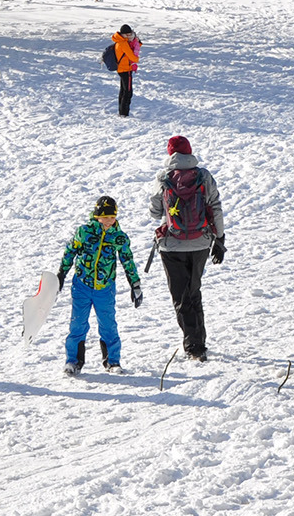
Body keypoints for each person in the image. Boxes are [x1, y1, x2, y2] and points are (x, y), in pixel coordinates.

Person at [148, 135, 225, 361]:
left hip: (172, 246)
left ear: (170, 154)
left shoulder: (163, 177)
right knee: (194, 291)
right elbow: (216, 207)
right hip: (201, 242)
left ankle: (194, 346)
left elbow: (154, 212)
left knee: (180, 296)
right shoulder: (203, 176)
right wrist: (220, 238)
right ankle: (199, 340)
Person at [57, 196, 142, 374]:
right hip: (82, 285)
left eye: (112, 217)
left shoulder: (119, 237)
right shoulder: (84, 232)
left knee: (108, 324)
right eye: (106, 217)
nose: (109, 221)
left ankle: (112, 362)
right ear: (97, 216)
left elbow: (127, 260)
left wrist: (135, 283)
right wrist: (61, 274)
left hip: (105, 288)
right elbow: (70, 251)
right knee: (78, 324)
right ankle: (73, 361)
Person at [112, 25, 142, 117]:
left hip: (121, 69)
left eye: (130, 34)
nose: (129, 36)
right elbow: (132, 56)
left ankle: (122, 112)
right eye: (128, 34)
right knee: (128, 92)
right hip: (126, 69)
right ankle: (124, 113)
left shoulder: (119, 41)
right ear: (123, 34)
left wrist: (137, 43)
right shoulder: (123, 44)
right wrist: (136, 59)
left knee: (123, 91)